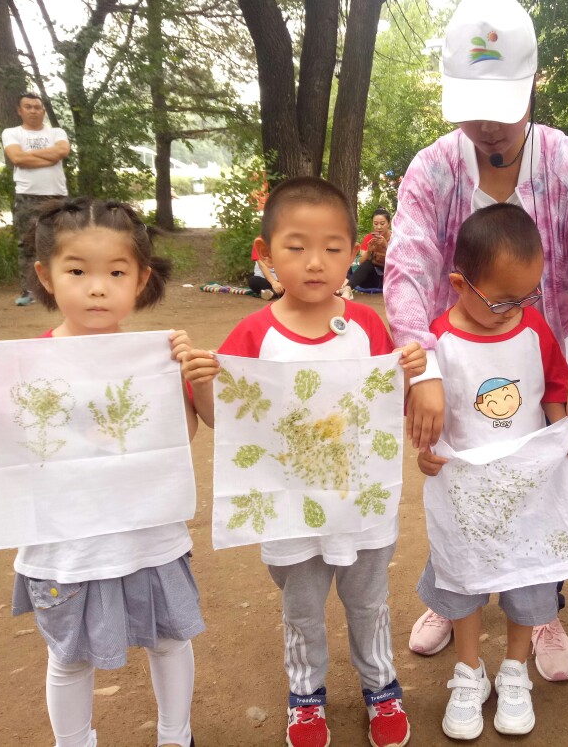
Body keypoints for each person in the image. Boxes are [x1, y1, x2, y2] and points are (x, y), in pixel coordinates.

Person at [385, 0, 568, 677]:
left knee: (539, 477)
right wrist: (424, 369)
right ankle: (456, 588)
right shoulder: (434, 168)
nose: (488, 126)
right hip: (457, 362)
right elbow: (407, 270)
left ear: (533, 83)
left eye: (502, 105)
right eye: (472, 107)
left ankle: (542, 605)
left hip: (539, 359)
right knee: (458, 471)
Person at [181, 177, 426, 747]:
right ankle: (306, 695)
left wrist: (411, 372)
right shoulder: (252, 333)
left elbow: (388, 410)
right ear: (265, 255)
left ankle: (381, 686)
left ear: (354, 253)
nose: (315, 262)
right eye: (296, 247)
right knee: (302, 609)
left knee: (368, 601)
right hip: (289, 511)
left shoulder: (368, 326)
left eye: (333, 248)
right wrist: (203, 384)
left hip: (359, 507)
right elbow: (222, 420)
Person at [11, 197, 201, 747]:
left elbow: (181, 436)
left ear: (140, 279)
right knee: (69, 656)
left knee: (170, 639)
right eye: (77, 271)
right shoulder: (20, 366)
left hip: (147, 534)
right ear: (45, 276)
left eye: (116, 273)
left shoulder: (159, 356)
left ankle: (175, 735)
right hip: (65, 545)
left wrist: (184, 378)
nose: (97, 288)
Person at [415, 204, 568, 740]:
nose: (514, 309)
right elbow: (428, 418)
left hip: (527, 491)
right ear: (459, 283)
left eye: (526, 296)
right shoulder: (438, 341)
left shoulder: (532, 327)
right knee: (465, 580)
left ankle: (514, 670)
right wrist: (425, 453)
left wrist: (562, 429)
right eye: (501, 299)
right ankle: (469, 672)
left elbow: (553, 384)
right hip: (465, 496)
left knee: (526, 581)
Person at [2, 92, 71, 306]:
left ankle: (60, 287)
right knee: (28, 243)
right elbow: (17, 158)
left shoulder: (56, 132)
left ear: (43, 111)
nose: (33, 110)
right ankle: (30, 291)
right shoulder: (12, 133)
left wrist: (29, 157)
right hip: (27, 196)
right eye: (28, 107)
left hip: (57, 195)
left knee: (60, 242)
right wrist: (50, 157)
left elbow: (63, 151)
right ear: (19, 110)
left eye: (37, 107)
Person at [348, 207, 393, 291]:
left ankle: (348, 286)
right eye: (375, 224)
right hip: (373, 278)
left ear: (389, 224)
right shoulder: (369, 238)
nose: (379, 227)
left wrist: (386, 246)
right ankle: (347, 287)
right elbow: (361, 263)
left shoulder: (395, 238)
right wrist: (369, 251)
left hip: (391, 277)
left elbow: (399, 263)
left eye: (382, 224)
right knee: (365, 263)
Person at [247, 235, 283, 299]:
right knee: (253, 281)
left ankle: (273, 292)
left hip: (283, 280)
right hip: (265, 279)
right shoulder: (259, 241)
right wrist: (274, 282)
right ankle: (278, 292)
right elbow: (262, 266)